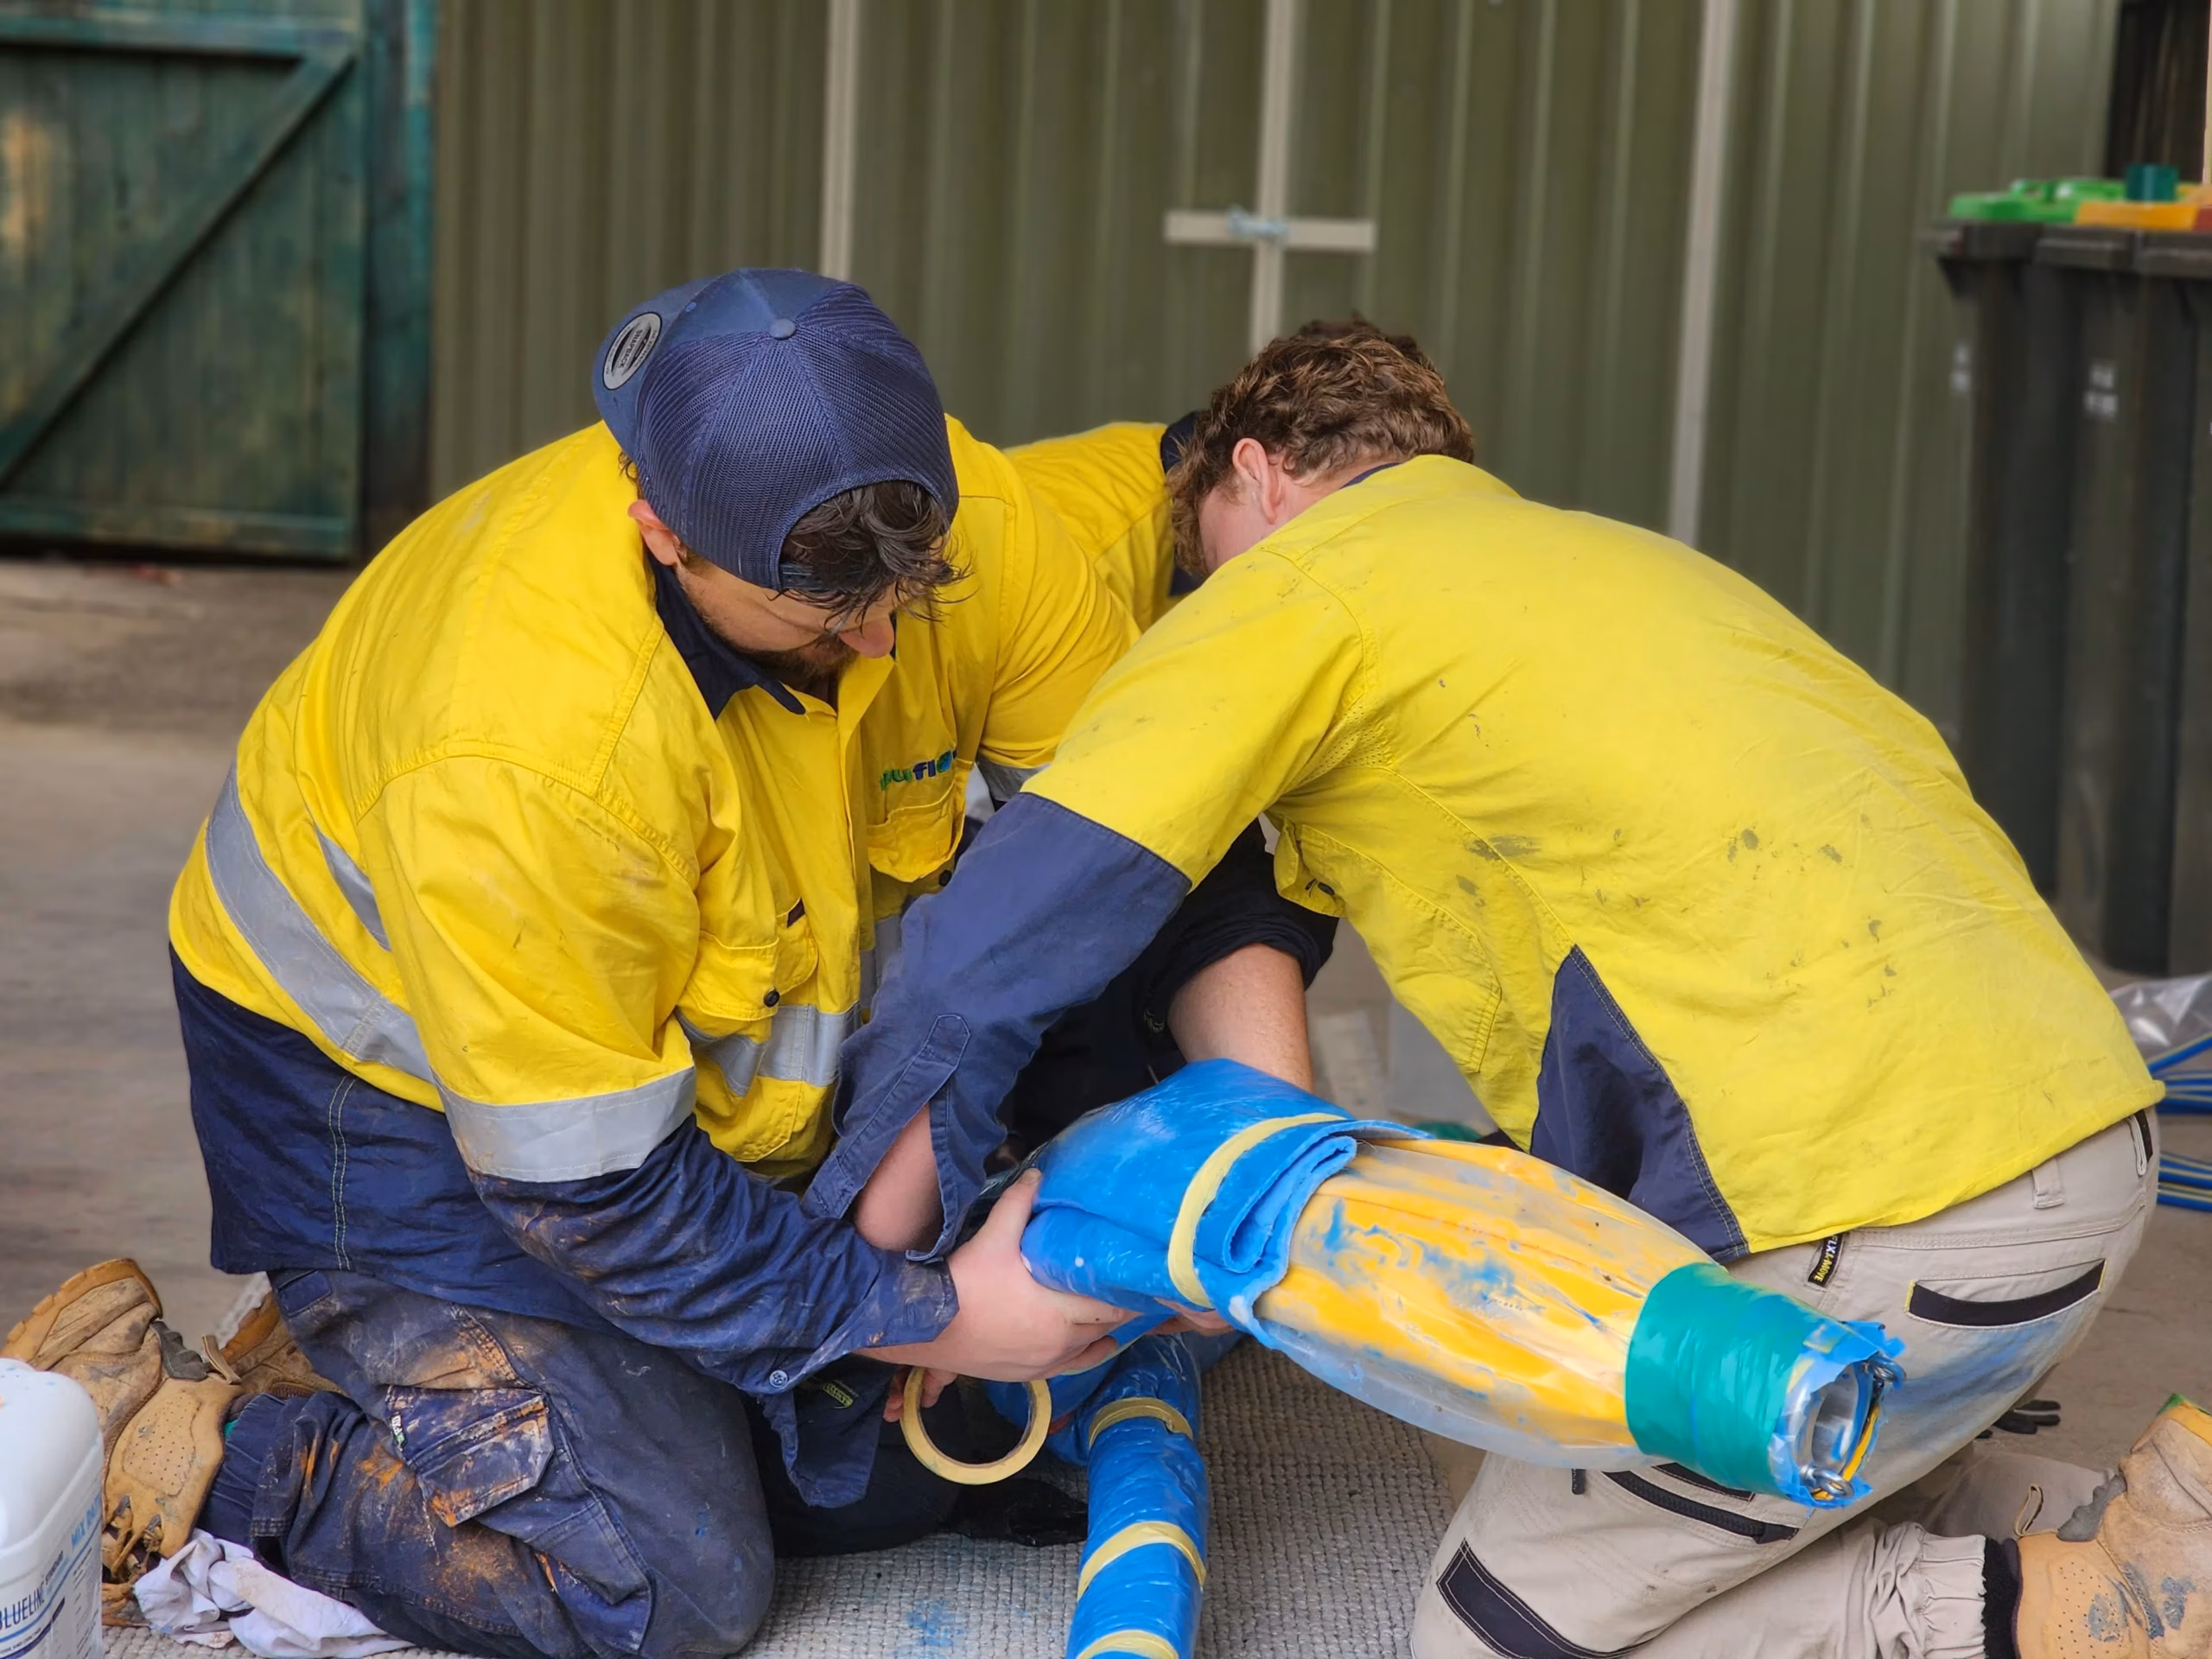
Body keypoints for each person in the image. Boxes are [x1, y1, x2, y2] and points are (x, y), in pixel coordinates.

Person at [2, 270, 1328, 1657]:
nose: (879, 639)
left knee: (876, 1478)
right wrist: (926, 1310)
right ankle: (188, 1433)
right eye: (827, 619)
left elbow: (1113, 882)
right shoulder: (527, 748)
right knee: (660, 1581)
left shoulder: (989, 536)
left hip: (660, 1084)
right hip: (383, 1100)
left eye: (905, 592)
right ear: (662, 529)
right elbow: (602, 1195)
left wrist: (1263, 1123)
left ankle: (460, 1381)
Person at [833, 320, 2207, 1658]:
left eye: (1201, 568)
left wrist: (869, 1283)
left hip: (1899, 1213)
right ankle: (2164, 1540)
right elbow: (1246, 913)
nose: (1203, 603)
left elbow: (1000, 938)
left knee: (1488, 1629)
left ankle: (2061, 1617)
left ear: (1255, 477)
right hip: (2076, 1153)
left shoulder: (1298, 587)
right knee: (1803, 1487)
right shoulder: (1600, 567)